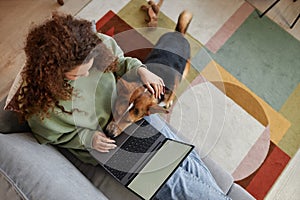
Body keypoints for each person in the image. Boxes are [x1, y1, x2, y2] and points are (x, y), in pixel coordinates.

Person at [14, 11, 231, 200]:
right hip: (107, 144)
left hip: (126, 110)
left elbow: (120, 63)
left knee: (184, 156)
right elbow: (55, 136)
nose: (88, 74)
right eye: (78, 74)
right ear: (53, 74)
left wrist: (141, 70)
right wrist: (88, 139)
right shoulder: (41, 109)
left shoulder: (94, 46)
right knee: (173, 183)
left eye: (89, 67)